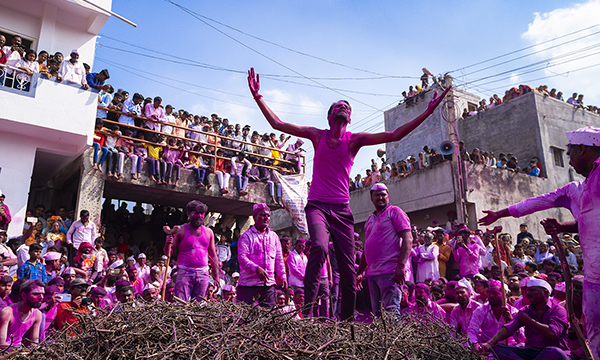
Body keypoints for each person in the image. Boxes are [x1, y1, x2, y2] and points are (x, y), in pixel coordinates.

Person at [248, 68, 449, 320]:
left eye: (347, 107)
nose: (343, 108)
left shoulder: (354, 140)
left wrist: (428, 111)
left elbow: (395, 134)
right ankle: (308, 313)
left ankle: (345, 322)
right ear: (330, 116)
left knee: (348, 268)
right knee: (319, 247)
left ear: (349, 119)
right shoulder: (316, 135)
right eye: (339, 106)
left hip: (342, 210)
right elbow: (278, 124)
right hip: (318, 206)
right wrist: (258, 98)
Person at [479, 126, 600, 359]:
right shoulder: (576, 189)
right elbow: (540, 202)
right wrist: (500, 214)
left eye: (570, 153)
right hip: (594, 278)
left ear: (583, 150)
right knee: (595, 337)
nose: (570, 160)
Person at [355, 183, 412, 317]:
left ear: (388, 196)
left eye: (383, 195)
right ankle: (382, 339)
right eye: (377, 195)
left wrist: (401, 266)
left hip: (390, 273)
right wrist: (360, 272)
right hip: (372, 274)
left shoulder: (395, 212)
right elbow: (367, 248)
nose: (380, 197)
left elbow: (408, 240)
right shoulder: (370, 219)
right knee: (377, 315)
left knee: (391, 314)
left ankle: (395, 339)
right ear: (371, 198)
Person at [476, 279, 569, 359]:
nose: (528, 293)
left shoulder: (558, 310)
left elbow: (552, 333)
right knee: (498, 349)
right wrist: (490, 343)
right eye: (527, 291)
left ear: (545, 293)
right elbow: (509, 327)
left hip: (551, 354)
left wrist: (529, 321)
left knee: (555, 352)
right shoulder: (526, 310)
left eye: (532, 290)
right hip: (531, 352)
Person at [163, 200, 220, 302]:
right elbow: (169, 253)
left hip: (203, 273)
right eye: (196, 213)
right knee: (180, 304)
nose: (200, 216)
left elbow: (213, 255)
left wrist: (216, 276)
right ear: (189, 214)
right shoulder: (180, 230)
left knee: (199, 306)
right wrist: (167, 244)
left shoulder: (209, 232)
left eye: (202, 213)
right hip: (185, 272)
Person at [237, 204, 287, 307]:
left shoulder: (274, 237)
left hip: (268, 286)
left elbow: (279, 259)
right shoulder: (246, 237)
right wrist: (256, 269)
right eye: (262, 215)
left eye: (268, 216)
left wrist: (283, 276)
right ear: (254, 217)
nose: (266, 218)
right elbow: (242, 258)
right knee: (246, 318)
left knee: (268, 318)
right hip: (248, 285)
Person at [0, 279, 44, 349]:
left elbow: (34, 342)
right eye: (36, 294)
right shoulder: (7, 312)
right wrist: (19, 351)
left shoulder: (37, 314)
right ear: (23, 295)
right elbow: (1, 344)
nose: (41, 297)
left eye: (42, 294)